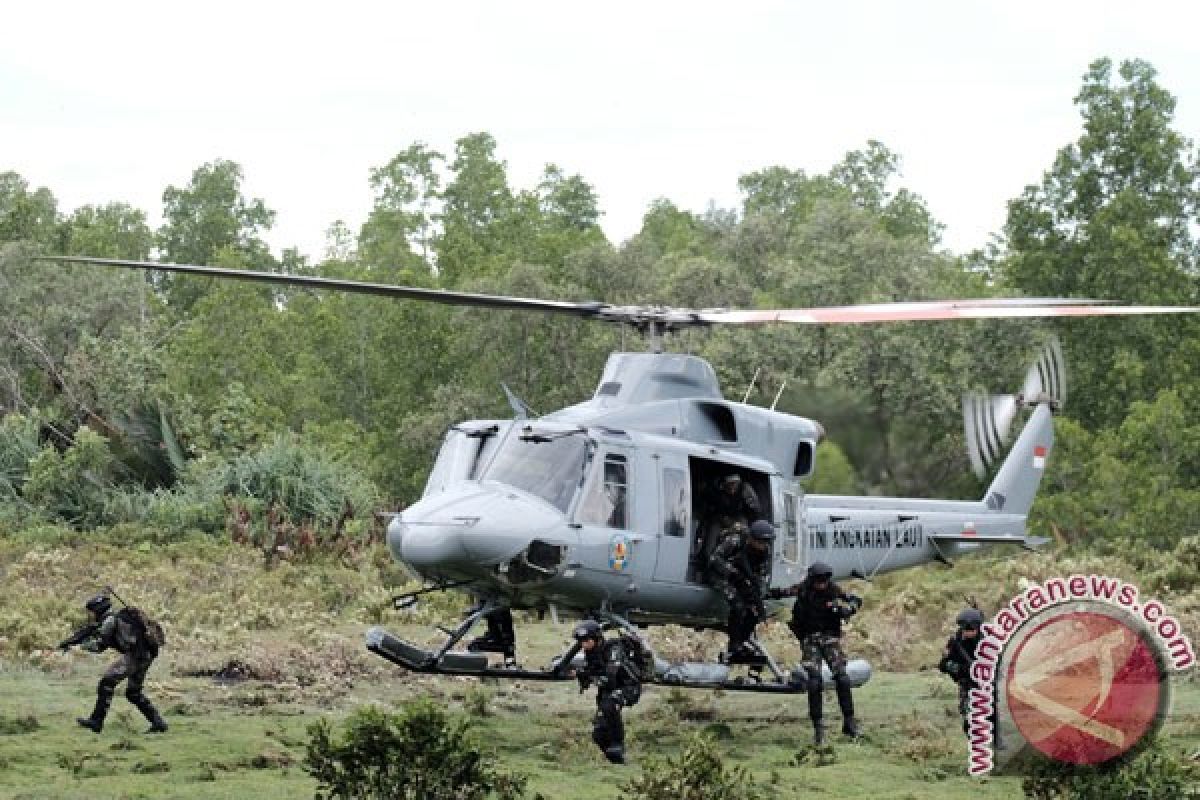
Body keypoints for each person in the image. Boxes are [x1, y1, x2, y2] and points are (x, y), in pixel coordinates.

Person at [770, 561, 862, 744]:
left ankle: (850, 722)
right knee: (814, 681)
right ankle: (818, 728)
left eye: (825, 580)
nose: (822, 584)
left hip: (830, 638)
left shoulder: (834, 590)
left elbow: (856, 601)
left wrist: (846, 609)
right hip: (810, 639)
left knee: (842, 678)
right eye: (819, 581)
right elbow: (781, 593)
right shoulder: (803, 590)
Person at [62, 594, 167, 735]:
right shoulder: (116, 618)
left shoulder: (110, 621)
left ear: (98, 609)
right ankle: (158, 723)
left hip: (135, 656)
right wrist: (77, 640)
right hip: (146, 655)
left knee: (106, 682)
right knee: (133, 693)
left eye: (92, 612)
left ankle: (96, 722)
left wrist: (79, 647)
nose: (91, 615)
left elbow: (99, 645)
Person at [570, 620, 643, 765]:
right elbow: (594, 676)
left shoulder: (613, 649)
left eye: (586, 640)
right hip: (608, 690)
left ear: (597, 638)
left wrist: (589, 676)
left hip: (628, 687)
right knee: (599, 734)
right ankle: (618, 763)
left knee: (609, 705)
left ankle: (618, 744)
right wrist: (582, 675)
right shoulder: (591, 654)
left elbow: (610, 679)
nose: (584, 645)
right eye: (581, 641)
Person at [708, 519, 774, 665]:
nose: (762, 546)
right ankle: (734, 645)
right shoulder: (735, 541)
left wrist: (756, 594)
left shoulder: (765, 551)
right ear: (751, 538)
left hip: (743, 580)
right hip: (721, 577)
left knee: (753, 610)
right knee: (738, 606)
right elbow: (714, 559)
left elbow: (762, 575)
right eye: (760, 542)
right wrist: (733, 573)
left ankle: (742, 642)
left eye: (765, 543)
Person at [939, 607, 985, 735]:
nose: (969, 632)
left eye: (972, 630)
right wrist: (960, 668)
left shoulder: (987, 640)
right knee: (970, 721)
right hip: (967, 684)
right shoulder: (955, 642)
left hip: (987, 684)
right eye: (966, 629)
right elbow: (943, 664)